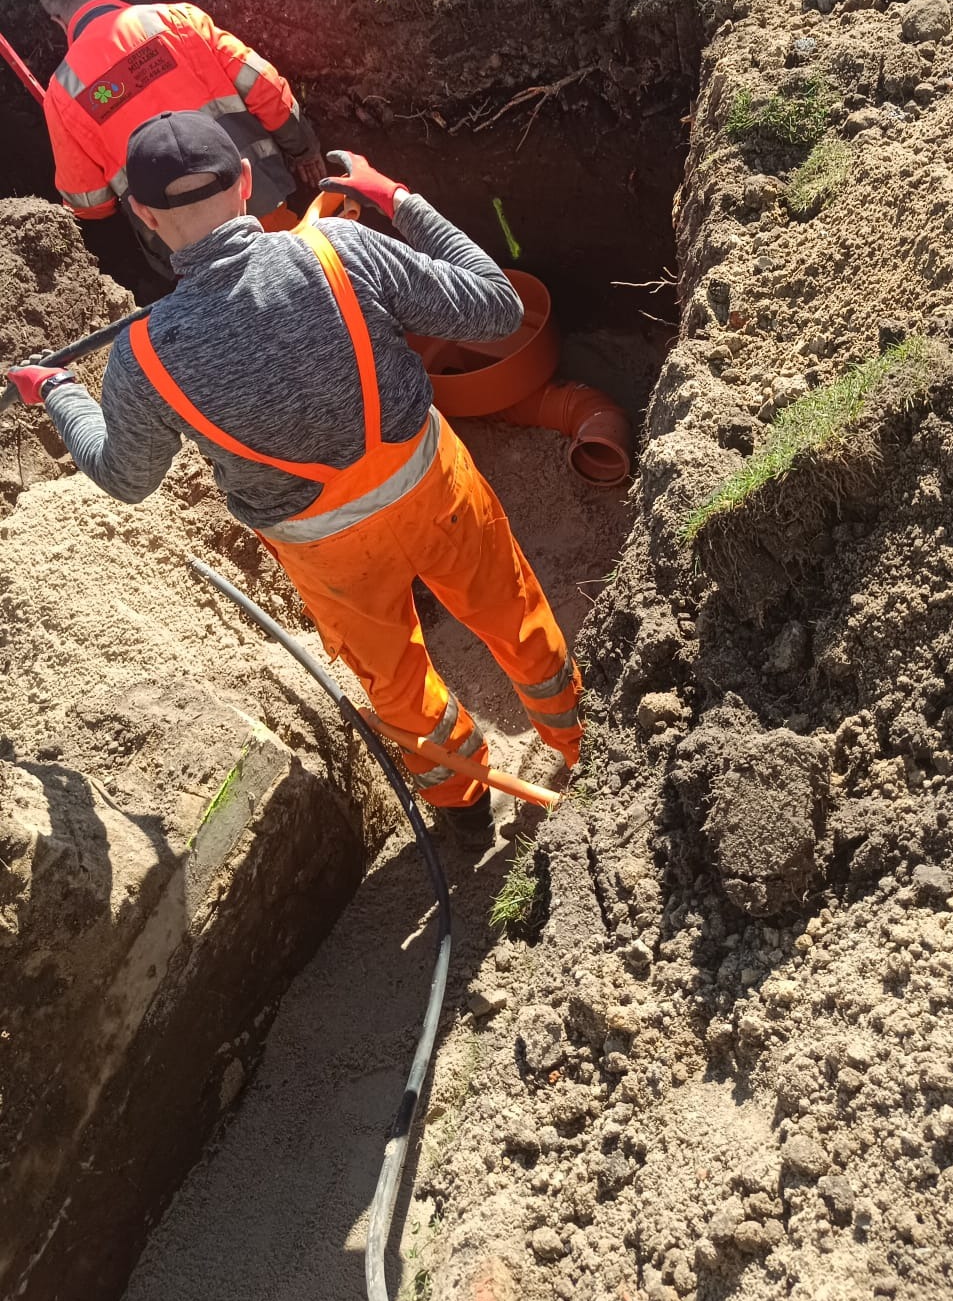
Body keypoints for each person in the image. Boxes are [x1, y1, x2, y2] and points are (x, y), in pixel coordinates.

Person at [7, 111, 583, 839]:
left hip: (329, 553)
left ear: (145, 216)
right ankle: (580, 746)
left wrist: (57, 391)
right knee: (513, 613)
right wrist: (396, 197)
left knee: (397, 681)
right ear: (246, 182)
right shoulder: (340, 248)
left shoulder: (143, 358)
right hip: (431, 488)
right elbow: (499, 308)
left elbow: (125, 477)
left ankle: (464, 803)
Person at [36, 0, 324, 275]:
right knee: (306, 276)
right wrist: (303, 149)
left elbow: (89, 204)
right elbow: (263, 86)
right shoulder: (178, 19)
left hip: (179, 245)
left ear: (59, 22)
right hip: (253, 198)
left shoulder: (62, 93)